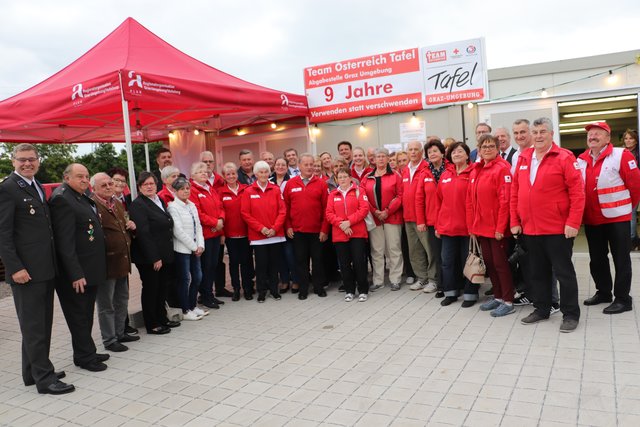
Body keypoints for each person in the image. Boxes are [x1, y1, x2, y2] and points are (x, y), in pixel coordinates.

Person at [0, 143, 75, 394]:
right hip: (27, 272)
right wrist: (15, 268)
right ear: (13, 162)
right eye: (22, 160)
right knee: (34, 327)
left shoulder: (37, 186)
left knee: (39, 325)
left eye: (31, 159)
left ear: (38, 161)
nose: (27, 163)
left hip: (44, 268)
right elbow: (3, 235)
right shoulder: (8, 188)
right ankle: (45, 379)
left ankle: (32, 372)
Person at [511, 117, 585, 333]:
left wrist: (573, 222)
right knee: (537, 272)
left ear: (552, 134)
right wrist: (514, 221)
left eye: (543, 131)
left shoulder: (564, 157)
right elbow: (515, 192)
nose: (539, 136)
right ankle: (542, 309)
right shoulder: (524, 158)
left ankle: (570, 314)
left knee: (564, 273)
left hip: (557, 229)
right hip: (531, 229)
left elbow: (577, 193)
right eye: (535, 132)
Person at [50, 163, 109, 371]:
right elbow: (64, 243)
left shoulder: (79, 196)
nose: (85, 180)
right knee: (79, 316)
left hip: (89, 268)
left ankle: (87, 351)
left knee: (85, 313)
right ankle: (85, 358)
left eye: (86, 176)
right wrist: (75, 273)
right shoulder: (62, 199)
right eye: (79, 176)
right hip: (76, 274)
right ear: (67, 178)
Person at [577, 122, 640, 314]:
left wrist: (626, 210)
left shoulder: (622, 155)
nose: (592, 136)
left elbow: (635, 186)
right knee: (597, 259)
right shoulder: (581, 159)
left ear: (607, 137)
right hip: (592, 219)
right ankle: (603, 292)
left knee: (621, 259)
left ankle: (623, 299)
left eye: (597, 133)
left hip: (617, 218)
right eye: (590, 134)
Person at [466, 135, 515, 317]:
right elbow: (470, 201)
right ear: (478, 149)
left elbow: (505, 201)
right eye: (484, 146)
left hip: (496, 229)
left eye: (491, 146)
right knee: (490, 265)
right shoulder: (476, 170)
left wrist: (501, 228)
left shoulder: (502, 169)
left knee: (501, 264)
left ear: (497, 148)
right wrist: (471, 226)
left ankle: (508, 301)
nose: (487, 149)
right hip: (481, 228)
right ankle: (498, 296)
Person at [91, 173, 138, 353]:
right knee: (106, 305)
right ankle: (109, 340)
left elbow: (124, 225)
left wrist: (131, 227)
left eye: (110, 183)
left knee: (121, 300)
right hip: (106, 264)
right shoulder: (92, 205)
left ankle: (120, 333)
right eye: (104, 185)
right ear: (93, 188)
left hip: (122, 261)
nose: (109, 187)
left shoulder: (116, 203)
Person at [129, 172, 180, 335]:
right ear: (139, 188)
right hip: (149, 257)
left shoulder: (159, 200)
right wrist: (154, 258)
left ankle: (162, 318)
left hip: (164, 253)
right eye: (146, 184)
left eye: (152, 183)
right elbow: (143, 233)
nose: (149, 186)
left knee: (162, 288)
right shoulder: (138, 205)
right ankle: (152, 323)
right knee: (151, 288)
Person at [436, 142, 478, 307]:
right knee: (447, 262)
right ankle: (450, 292)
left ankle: (470, 293)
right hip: (447, 228)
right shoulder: (445, 174)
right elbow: (439, 202)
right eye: (453, 152)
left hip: (468, 228)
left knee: (468, 261)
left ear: (468, 155)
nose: (456, 154)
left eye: (460, 151)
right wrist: (439, 225)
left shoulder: (474, 172)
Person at [283, 153, 330, 300]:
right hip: (298, 231)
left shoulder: (321, 183)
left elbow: (326, 209)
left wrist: (324, 229)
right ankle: (303, 288)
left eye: (311, 164)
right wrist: (288, 226)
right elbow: (285, 207)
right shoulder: (291, 184)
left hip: (317, 231)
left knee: (318, 260)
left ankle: (318, 286)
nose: (309, 167)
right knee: (301, 261)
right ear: (299, 166)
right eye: (306, 164)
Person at [241, 161, 287, 302]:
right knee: (261, 265)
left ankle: (274, 290)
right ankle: (262, 291)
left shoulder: (275, 189)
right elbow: (245, 213)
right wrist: (262, 228)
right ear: (255, 174)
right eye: (260, 172)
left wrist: (274, 228)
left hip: (275, 234)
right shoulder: (248, 191)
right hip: (258, 236)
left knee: (274, 264)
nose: (263, 174)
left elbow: (282, 211)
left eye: (266, 172)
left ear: (269, 173)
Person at [362, 148, 404, 291]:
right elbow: (362, 197)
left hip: (392, 217)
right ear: (373, 159)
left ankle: (395, 279)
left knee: (394, 249)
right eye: (377, 156)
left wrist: (387, 211)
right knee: (377, 250)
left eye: (383, 156)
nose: (380, 159)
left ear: (387, 159)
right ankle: (378, 280)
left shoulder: (395, 176)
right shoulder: (368, 177)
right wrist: (374, 211)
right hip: (375, 219)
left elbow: (400, 196)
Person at [326, 168, 371, 302]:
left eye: (345, 176)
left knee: (359, 262)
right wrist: (342, 224)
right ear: (336, 179)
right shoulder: (333, 194)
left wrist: (349, 222)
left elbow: (364, 209)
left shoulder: (359, 191)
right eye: (340, 177)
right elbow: (329, 213)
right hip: (340, 234)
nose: (343, 179)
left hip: (357, 233)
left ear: (350, 178)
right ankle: (349, 290)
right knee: (344, 264)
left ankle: (363, 290)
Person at [167, 177, 207, 321]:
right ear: (176, 191)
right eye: (182, 189)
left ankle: (192, 305)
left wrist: (200, 245)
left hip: (196, 248)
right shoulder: (172, 207)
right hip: (183, 250)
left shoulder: (192, 205)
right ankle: (185, 309)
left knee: (198, 277)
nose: (185, 191)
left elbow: (199, 226)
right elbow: (178, 231)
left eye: (187, 188)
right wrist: (194, 246)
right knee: (184, 279)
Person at [190, 162, 227, 308]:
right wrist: (214, 223)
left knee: (213, 265)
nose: (204, 174)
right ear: (193, 175)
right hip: (205, 235)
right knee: (205, 266)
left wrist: (221, 221)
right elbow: (198, 213)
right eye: (200, 172)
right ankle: (205, 296)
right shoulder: (193, 190)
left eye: (205, 172)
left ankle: (209, 294)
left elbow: (220, 207)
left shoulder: (210, 188)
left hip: (216, 233)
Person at [415, 139, 447, 295]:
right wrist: (420, 221)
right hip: (433, 221)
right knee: (437, 255)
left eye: (435, 151)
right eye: (429, 152)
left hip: (450, 220)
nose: (432, 154)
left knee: (451, 255)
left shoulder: (451, 169)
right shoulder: (424, 173)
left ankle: (455, 284)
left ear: (442, 152)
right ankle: (441, 285)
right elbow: (419, 198)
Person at [220, 163, 255, 300]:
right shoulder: (220, 192)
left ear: (237, 174)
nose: (231, 176)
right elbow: (219, 213)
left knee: (247, 261)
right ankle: (236, 288)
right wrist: (222, 233)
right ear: (224, 176)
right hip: (230, 234)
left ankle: (247, 287)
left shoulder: (246, 189)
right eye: (228, 174)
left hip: (246, 232)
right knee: (234, 262)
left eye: (233, 173)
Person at [403, 141, 433, 291]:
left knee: (429, 250)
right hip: (408, 218)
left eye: (416, 149)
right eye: (410, 149)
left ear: (422, 152)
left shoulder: (426, 168)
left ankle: (433, 279)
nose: (413, 152)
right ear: (407, 152)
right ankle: (422, 278)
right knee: (415, 251)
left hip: (423, 219)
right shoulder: (405, 170)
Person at [269, 157, 297, 293]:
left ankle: (296, 280)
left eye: (283, 165)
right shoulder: (268, 181)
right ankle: (285, 280)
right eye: (278, 164)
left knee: (291, 255)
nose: (280, 167)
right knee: (279, 256)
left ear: (287, 167)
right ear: (274, 166)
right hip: (274, 224)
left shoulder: (293, 181)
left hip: (289, 223)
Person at [623, 129, 640, 248]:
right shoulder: (621, 152)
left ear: (636, 140)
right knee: (630, 213)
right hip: (627, 187)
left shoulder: (638, 153)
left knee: (632, 213)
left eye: (631, 138)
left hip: (637, 185)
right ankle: (634, 239)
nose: (628, 141)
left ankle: (632, 239)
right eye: (626, 138)